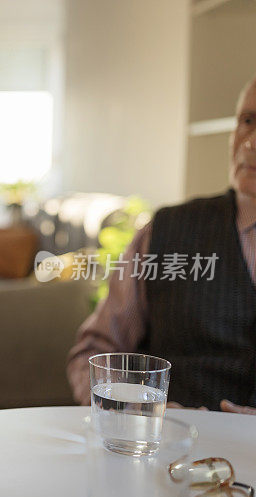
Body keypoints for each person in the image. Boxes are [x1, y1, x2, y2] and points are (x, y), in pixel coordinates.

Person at [67, 76, 256, 415]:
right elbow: (97, 349)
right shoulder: (167, 230)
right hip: (168, 451)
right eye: (247, 121)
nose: (250, 143)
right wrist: (125, 411)